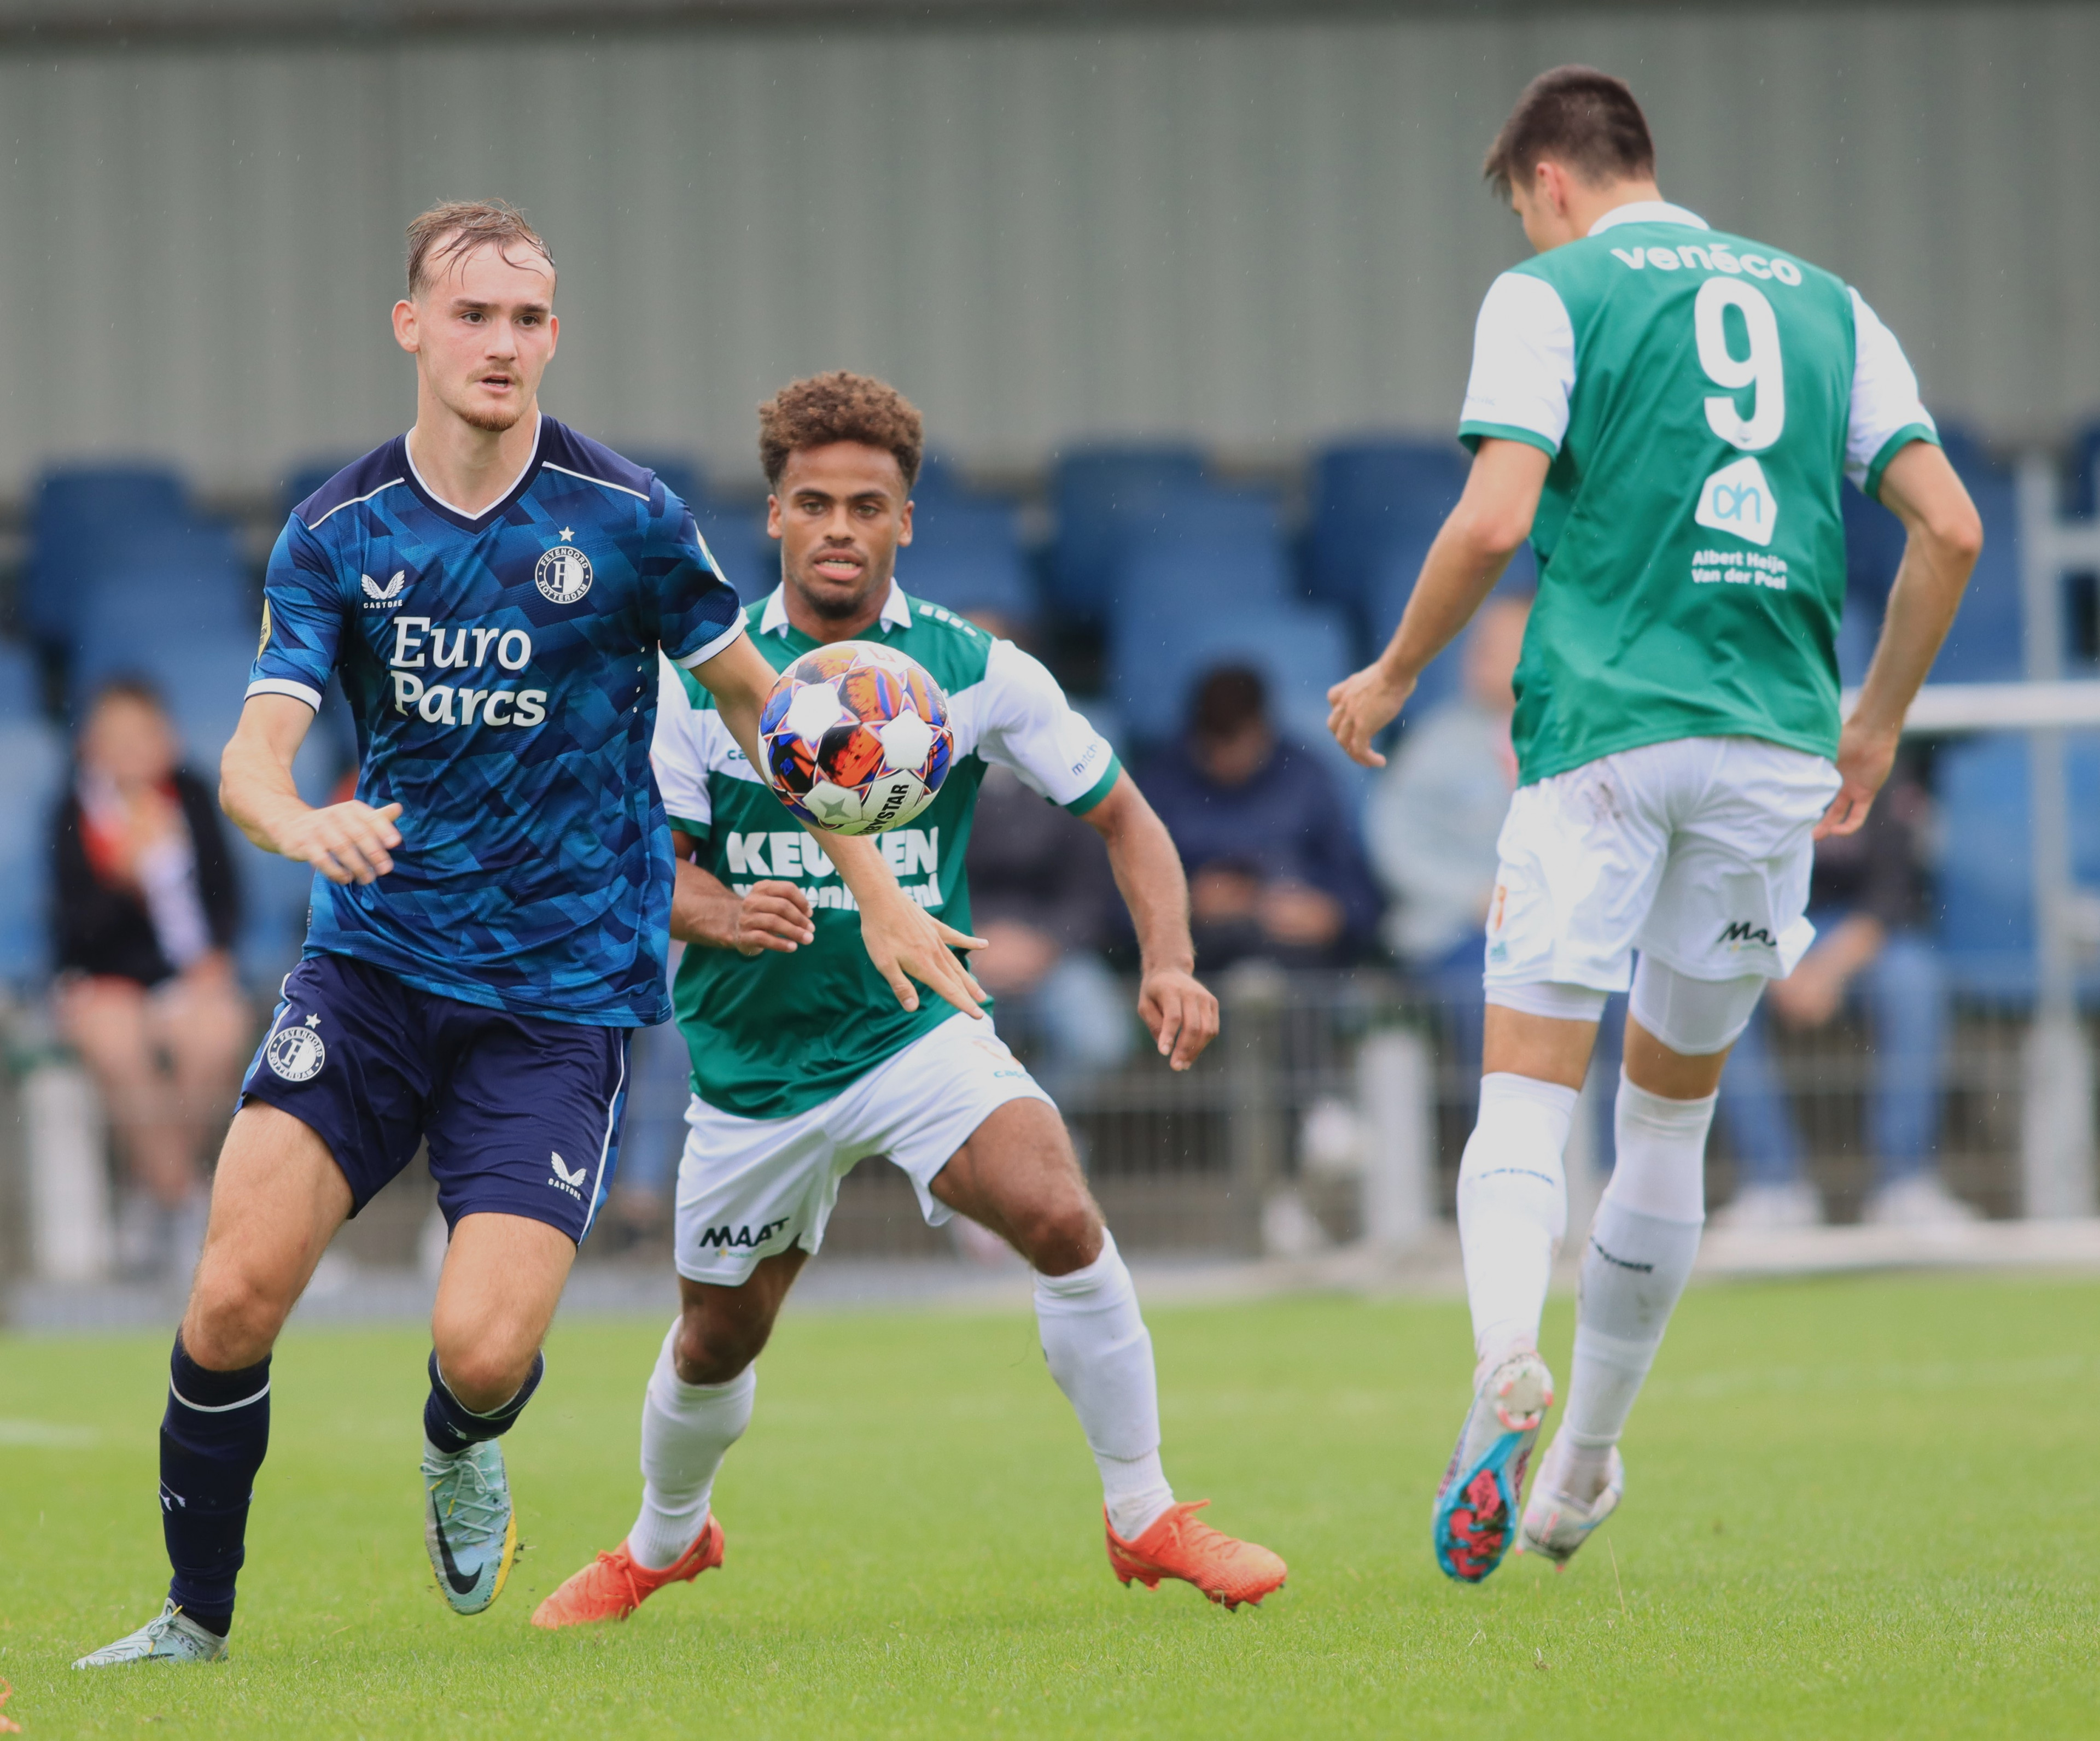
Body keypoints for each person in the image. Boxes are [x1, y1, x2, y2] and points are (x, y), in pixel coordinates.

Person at [77, 207, 979, 1669]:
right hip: (371, 970)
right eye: (472, 313)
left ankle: (462, 1438)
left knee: (485, 1350)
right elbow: (252, 755)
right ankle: (193, 1619)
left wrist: (876, 889)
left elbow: (764, 704)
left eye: (526, 318)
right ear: (411, 327)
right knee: (232, 1296)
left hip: (557, 999)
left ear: (553, 337)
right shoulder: (338, 532)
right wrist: (298, 823)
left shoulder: (625, 518)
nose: (500, 343)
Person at [1326, 67, 1981, 1584]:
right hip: (1771, 750)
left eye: (1519, 208)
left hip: (1604, 739)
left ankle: (1505, 1358)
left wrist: (1400, 668)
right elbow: (1949, 526)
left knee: (1526, 1095)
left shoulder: (1549, 292)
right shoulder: (1830, 306)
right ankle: (1582, 1464)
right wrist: (1875, 720)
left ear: (1547, 181)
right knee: (1668, 1118)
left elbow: (1497, 516)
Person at [530, 371, 1285, 1629]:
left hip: (914, 1026)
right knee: (717, 1338)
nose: (840, 526)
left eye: (866, 505)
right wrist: (721, 912)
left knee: (1056, 1207)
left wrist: (1169, 957)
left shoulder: (970, 668)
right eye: (815, 502)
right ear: (775, 514)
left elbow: (1126, 814)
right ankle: (666, 1536)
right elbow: (640, 863)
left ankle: (1144, 1512)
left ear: (905, 522)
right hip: (753, 1062)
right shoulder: (698, 678)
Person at [1716, 756, 1968, 1228]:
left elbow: (1894, 891)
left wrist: (1825, 970)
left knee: (1915, 980)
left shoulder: (1876, 762)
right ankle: (1772, 1187)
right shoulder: (1744, 762)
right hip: (1762, 933)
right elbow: (1725, 883)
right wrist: (1775, 963)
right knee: (1717, 987)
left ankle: (1905, 1185)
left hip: (1860, 940)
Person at [51, 676, 249, 1278]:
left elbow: (225, 900)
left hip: (186, 978)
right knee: (117, 1042)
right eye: (116, 740)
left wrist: (213, 957)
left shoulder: (192, 797)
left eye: (142, 737)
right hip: (106, 981)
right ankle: (188, 1205)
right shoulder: (73, 812)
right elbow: (73, 932)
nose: (130, 752)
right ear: (90, 746)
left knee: (217, 1034)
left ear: (168, 741)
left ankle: (158, 1195)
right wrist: (126, 879)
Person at [1365, 595, 1529, 1076]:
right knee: (1498, 1000)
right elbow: (1394, 845)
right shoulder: (1434, 743)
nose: (1477, 658)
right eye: (1479, 645)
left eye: (1498, 647)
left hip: (1559, 929)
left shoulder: (1572, 737)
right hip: (1455, 931)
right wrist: (1473, 896)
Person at [1139, 664, 1379, 971]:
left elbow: (1363, 897)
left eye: (1238, 744)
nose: (1227, 760)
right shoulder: (1160, 786)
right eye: (1215, 747)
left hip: (1299, 963)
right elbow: (1115, 905)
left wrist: (1330, 916)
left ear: (1263, 730)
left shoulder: (1308, 780)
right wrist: (1184, 905)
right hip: (1196, 965)